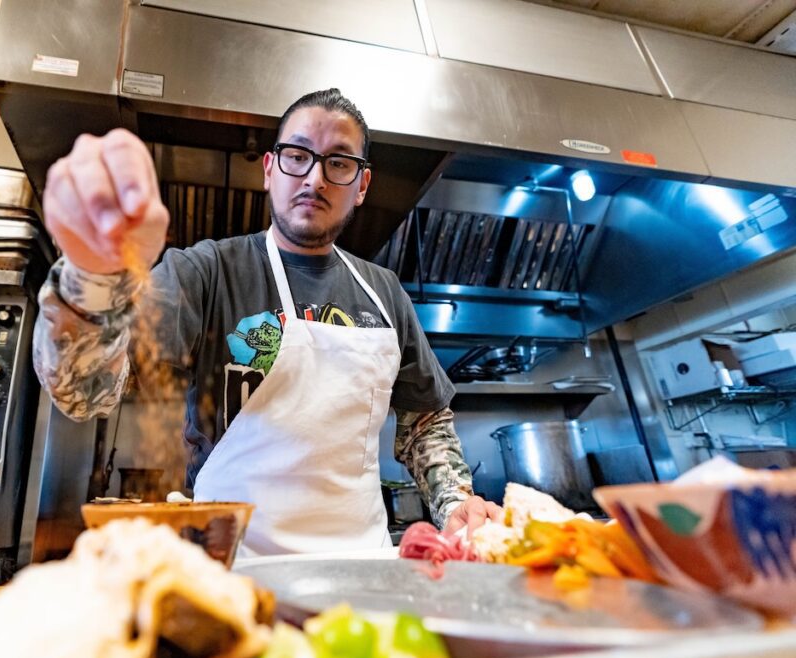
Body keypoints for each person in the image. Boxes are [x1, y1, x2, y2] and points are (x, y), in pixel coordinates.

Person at [34, 88, 502, 555]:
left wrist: (454, 502)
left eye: (339, 163)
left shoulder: (385, 294)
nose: (315, 178)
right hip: (231, 572)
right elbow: (86, 393)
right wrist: (89, 276)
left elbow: (425, 421)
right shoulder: (205, 272)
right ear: (270, 169)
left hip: (363, 571)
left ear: (361, 185)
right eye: (297, 155)